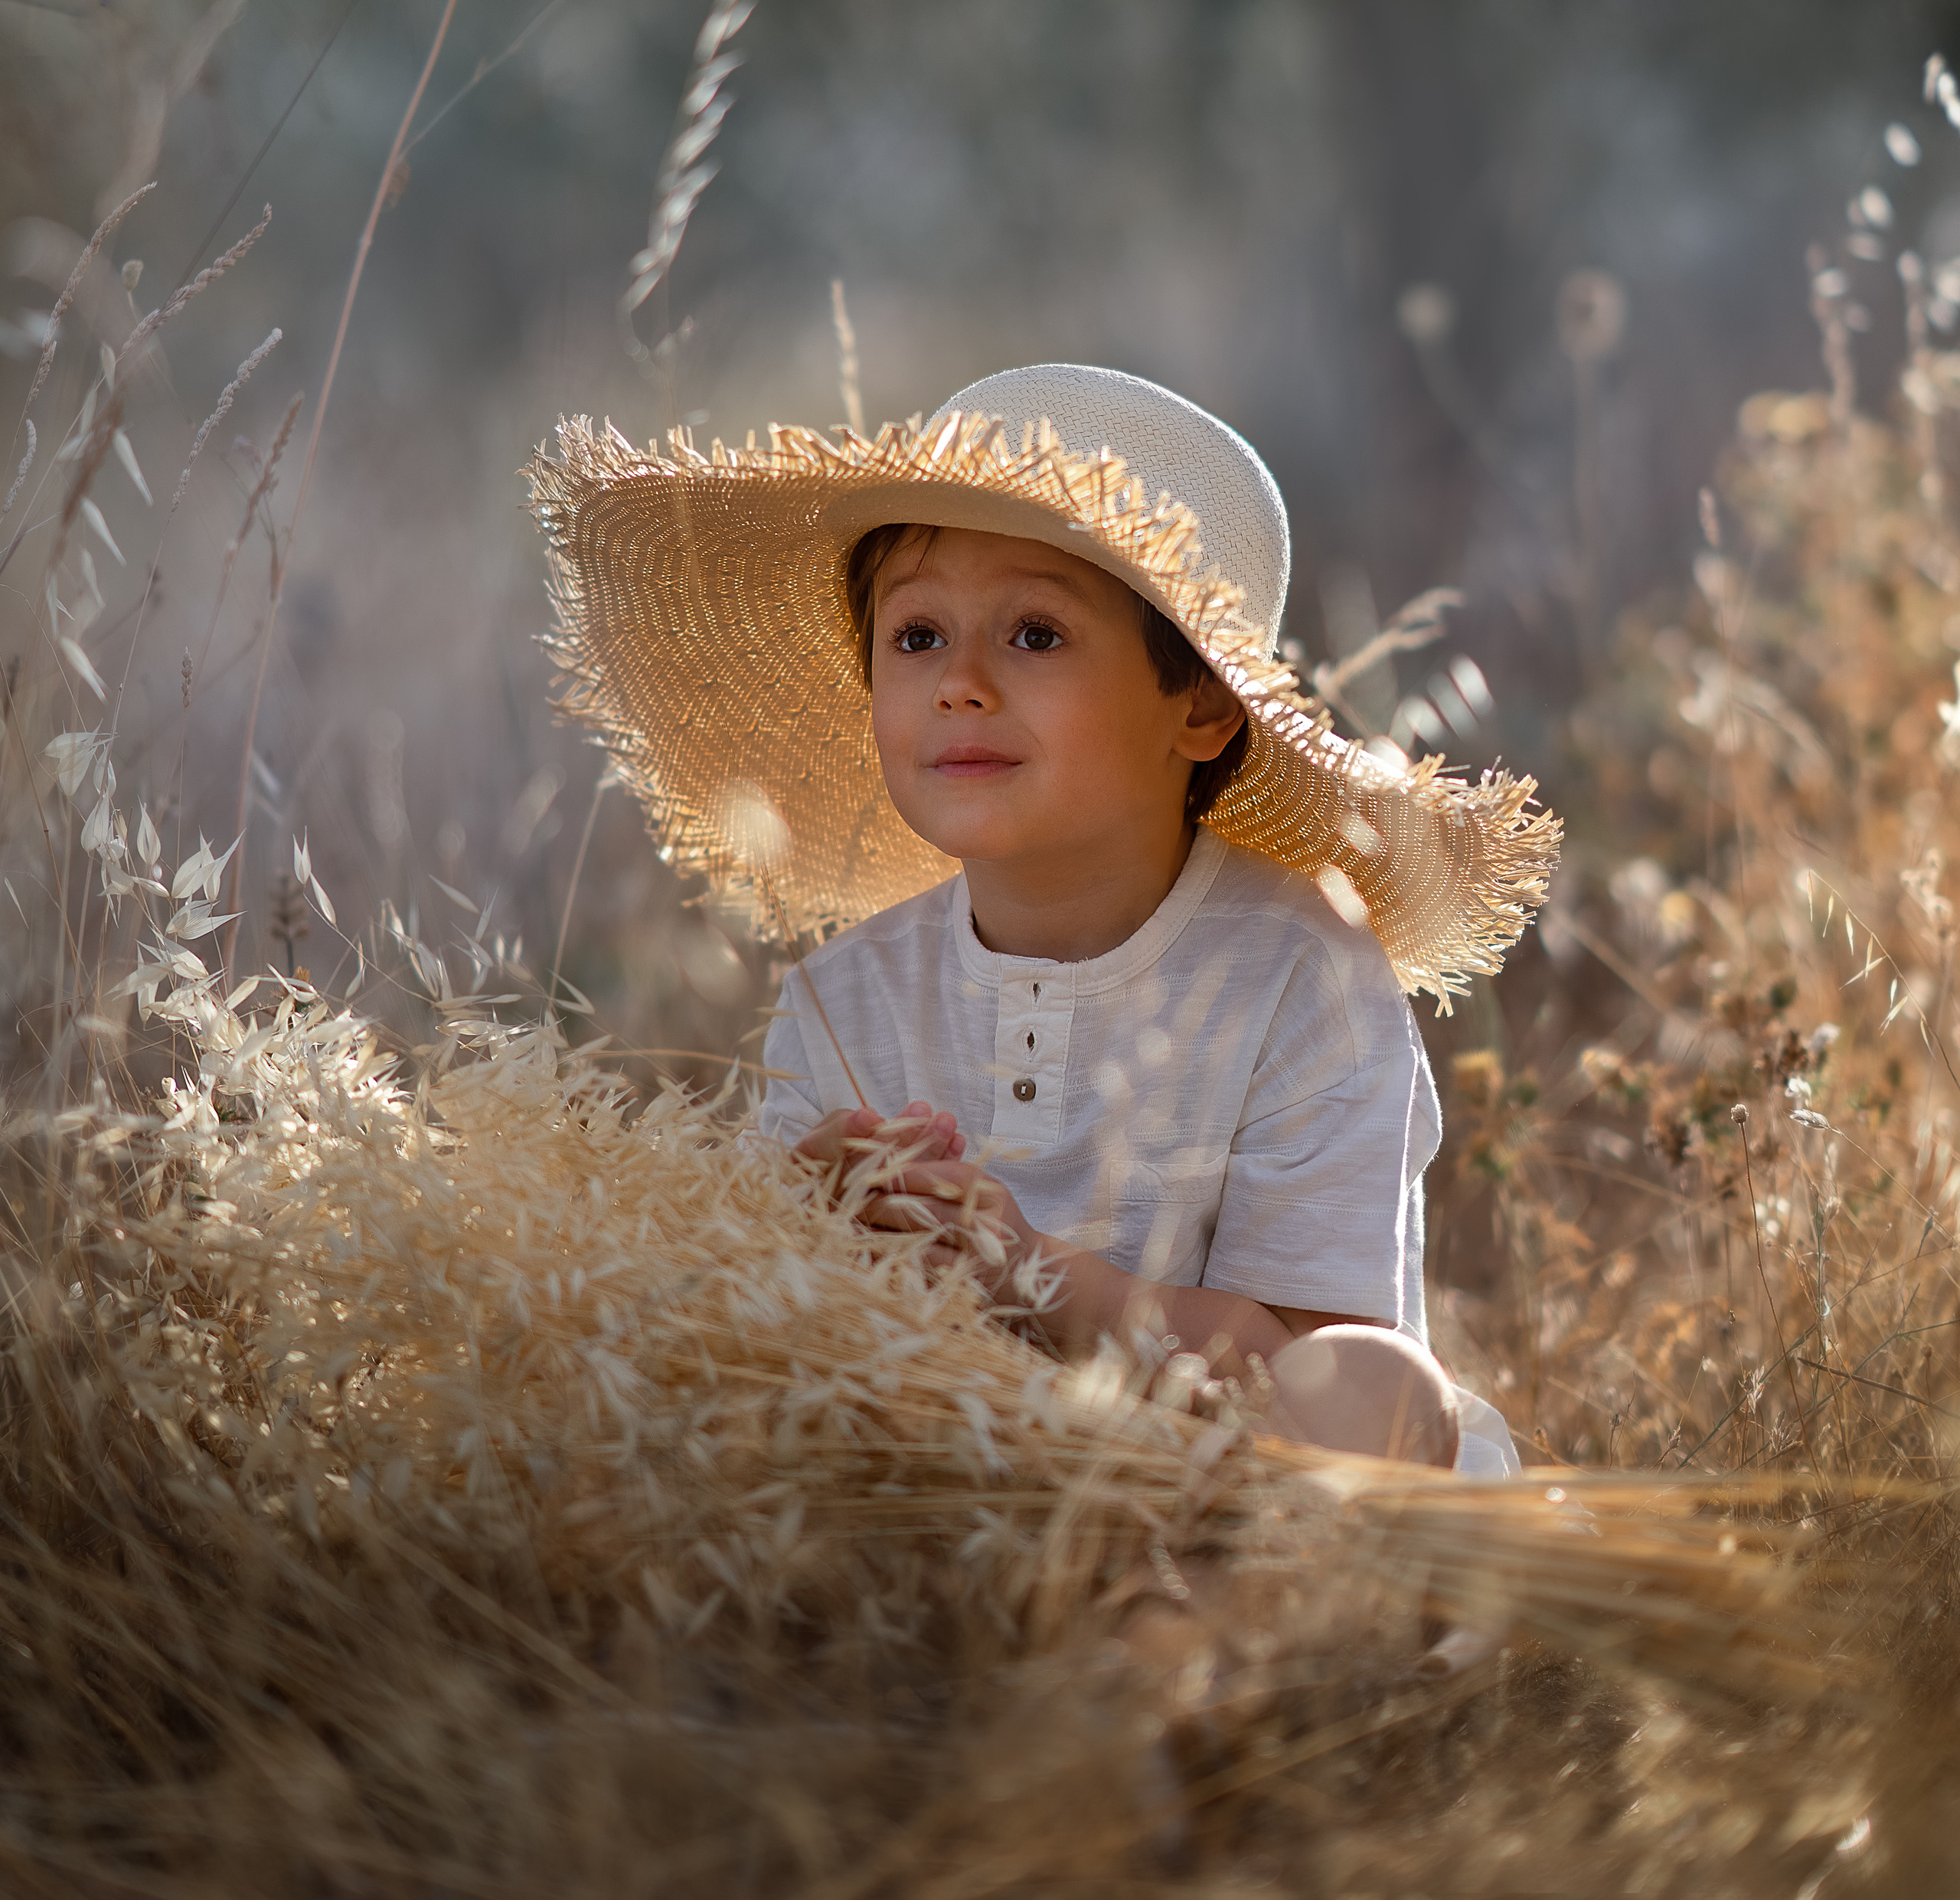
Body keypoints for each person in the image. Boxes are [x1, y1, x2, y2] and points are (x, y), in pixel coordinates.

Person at [528, 364, 1558, 1474]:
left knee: (1378, 1389)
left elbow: (1307, 1358)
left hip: (1246, 1492)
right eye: (917, 636)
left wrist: (1026, 1268)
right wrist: (803, 1221)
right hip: (965, 1477)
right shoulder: (844, 998)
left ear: (1201, 704)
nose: (960, 682)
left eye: (1035, 634)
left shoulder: (1300, 971)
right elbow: (796, 1331)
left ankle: (1243, 1630)